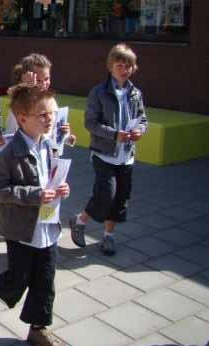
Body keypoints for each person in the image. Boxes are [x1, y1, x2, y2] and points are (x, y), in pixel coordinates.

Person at [0, 84, 69, 346]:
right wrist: (33, 195)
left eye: (52, 113)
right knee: (18, 279)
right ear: (22, 118)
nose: (50, 119)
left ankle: (38, 329)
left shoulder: (50, 145)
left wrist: (60, 188)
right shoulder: (7, 154)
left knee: (46, 279)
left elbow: (51, 178)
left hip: (48, 225)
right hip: (22, 229)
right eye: (43, 114)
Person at [69, 43, 148, 256]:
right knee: (106, 194)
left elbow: (142, 118)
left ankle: (108, 236)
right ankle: (80, 220)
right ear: (110, 67)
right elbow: (90, 123)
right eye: (120, 65)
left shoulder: (135, 94)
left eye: (128, 66)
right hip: (104, 153)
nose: (124, 70)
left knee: (121, 197)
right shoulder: (98, 92)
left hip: (126, 155)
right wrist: (114, 134)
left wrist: (140, 130)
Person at [5, 54, 76, 155]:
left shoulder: (50, 101)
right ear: (26, 77)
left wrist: (66, 137)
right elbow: (10, 136)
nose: (43, 84)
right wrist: (24, 86)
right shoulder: (20, 103)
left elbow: (52, 133)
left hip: (48, 158)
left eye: (47, 79)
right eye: (38, 80)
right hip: (26, 158)